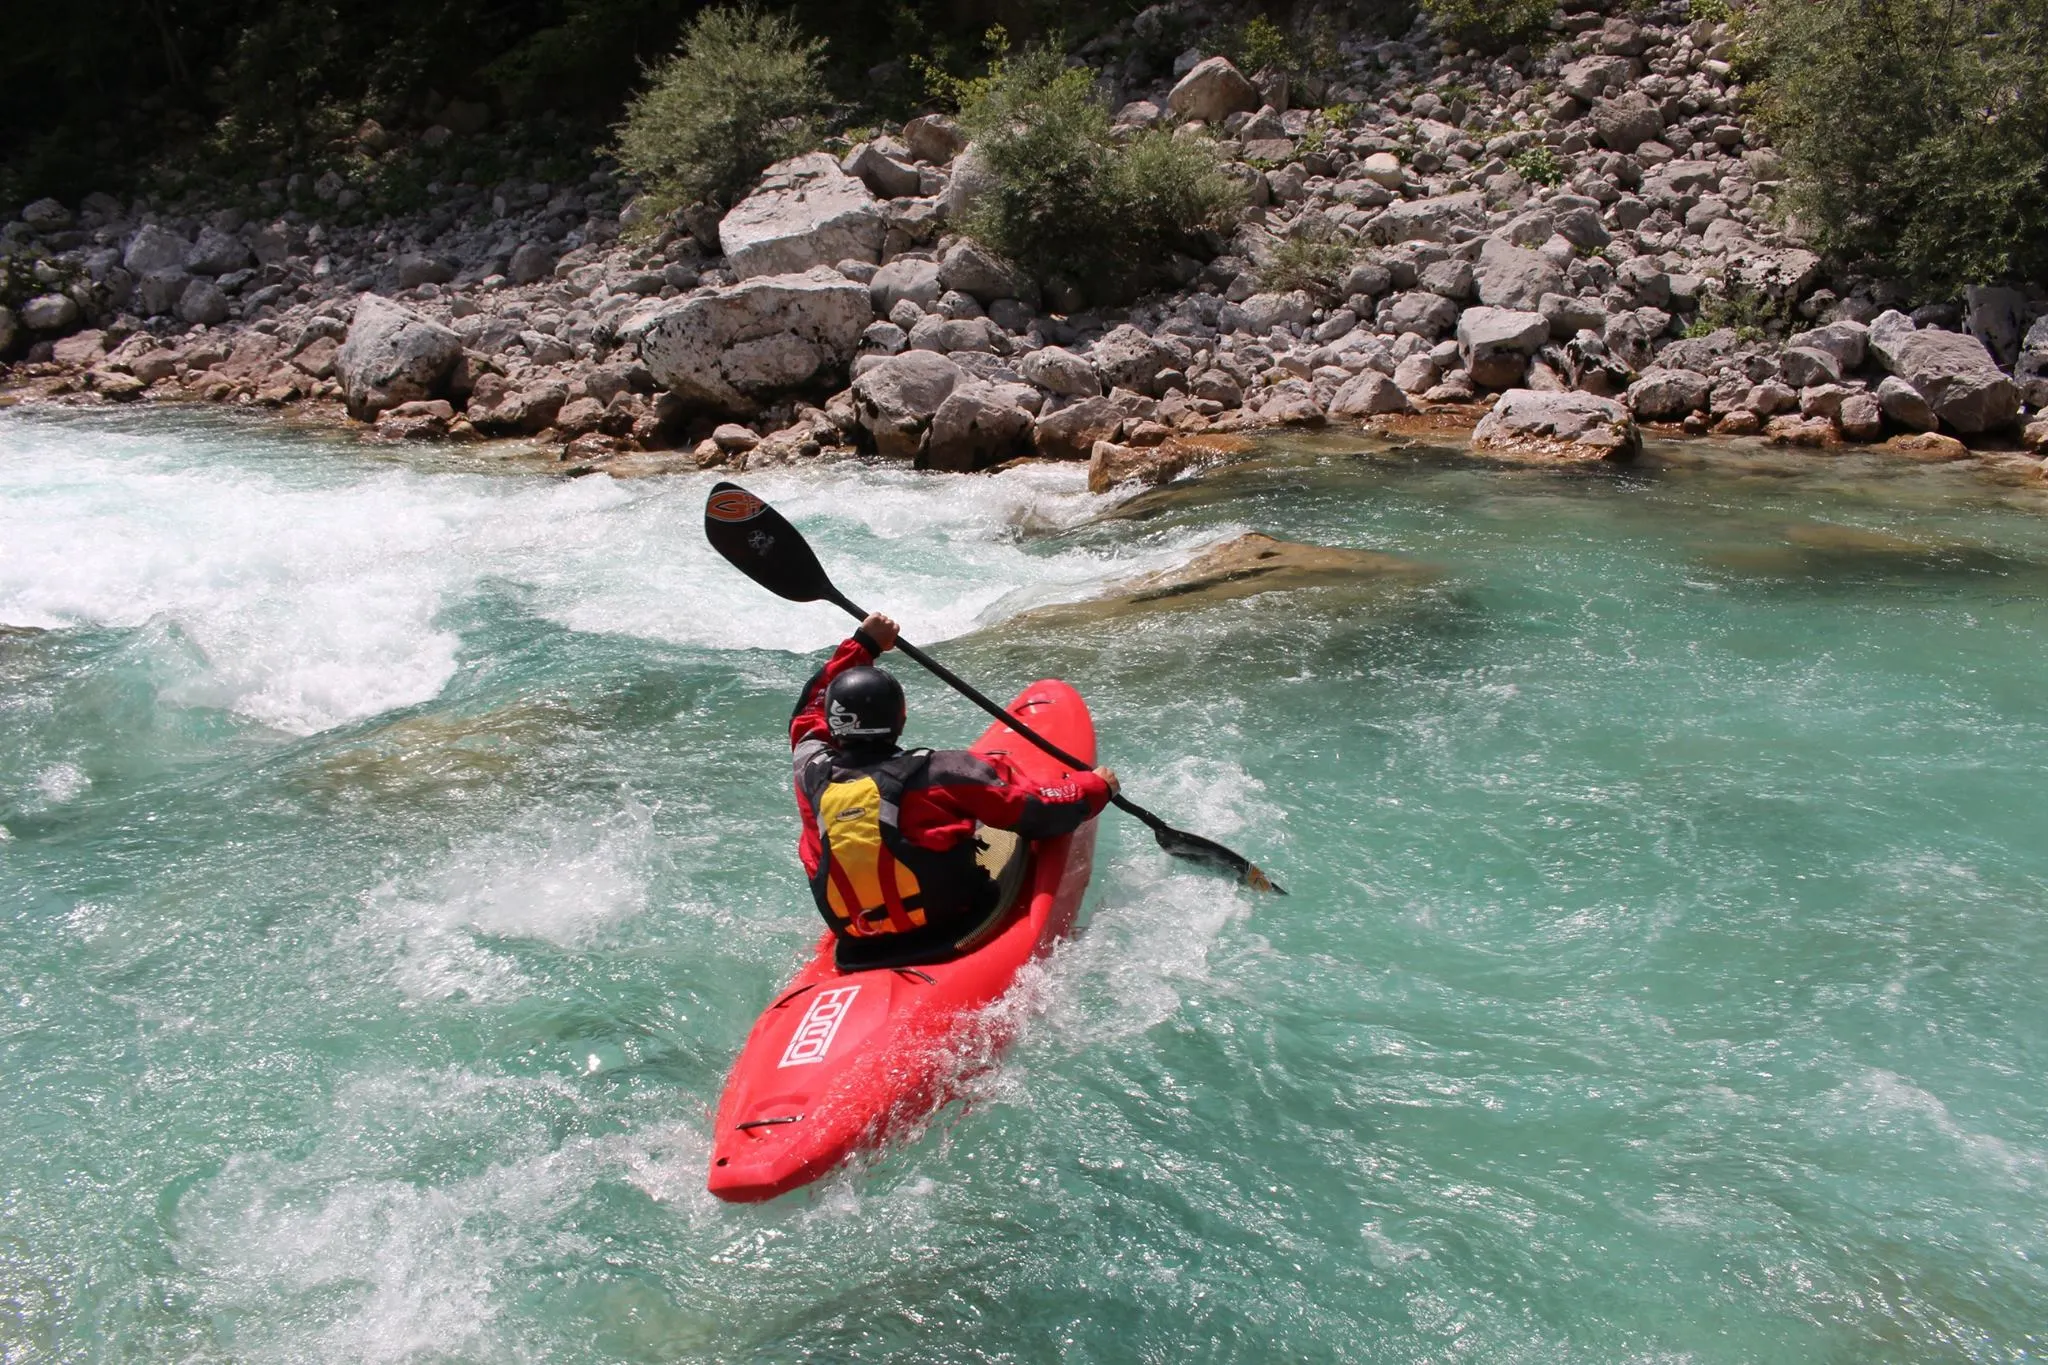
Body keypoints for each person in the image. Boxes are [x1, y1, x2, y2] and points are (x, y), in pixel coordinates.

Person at [790, 612, 1118, 969]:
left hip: (858, 940)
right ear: (900, 719)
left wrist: (863, 643)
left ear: (834, 722)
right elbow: (1038, 811)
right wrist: (1095, 787)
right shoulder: (944, 772)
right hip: (950, 923)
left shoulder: (810, 773)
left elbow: (806, 717)